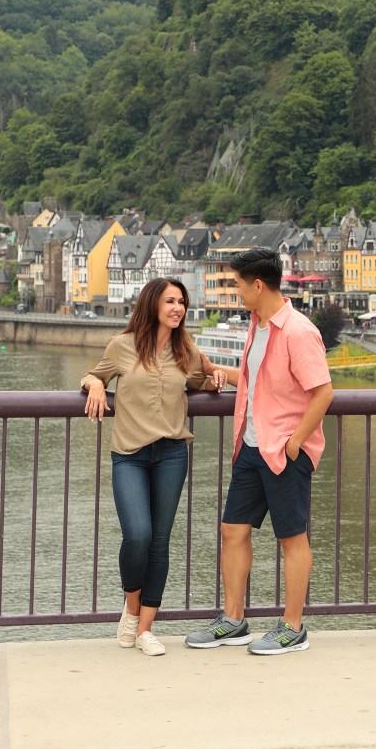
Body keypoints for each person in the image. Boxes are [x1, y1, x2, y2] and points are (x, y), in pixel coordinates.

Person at [185, 247, 333, 656]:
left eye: (236, 284)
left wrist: (296, 442)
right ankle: (234, 621)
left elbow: (323, 392)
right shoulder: (258, 324)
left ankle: (293, 627)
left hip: (284, 449)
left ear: (258, 285)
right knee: (232, 530)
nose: (235, 292)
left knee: (292, 538)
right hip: (251, 446)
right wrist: (220, 373)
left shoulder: (298, 331)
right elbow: (258, 380)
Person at [82, 278, 221, 658]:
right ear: (152, 303)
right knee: (139, 534)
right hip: (129, 454)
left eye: (182, 302)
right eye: (170, 301)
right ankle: (130, 607)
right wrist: (95, 384)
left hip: (173, 453)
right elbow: (96, 373)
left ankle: (145, 629)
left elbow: (202, 376)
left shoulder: (185, 351)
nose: (178, 308)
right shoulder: (123, 346)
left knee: (160, 540)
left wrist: (215, 375)